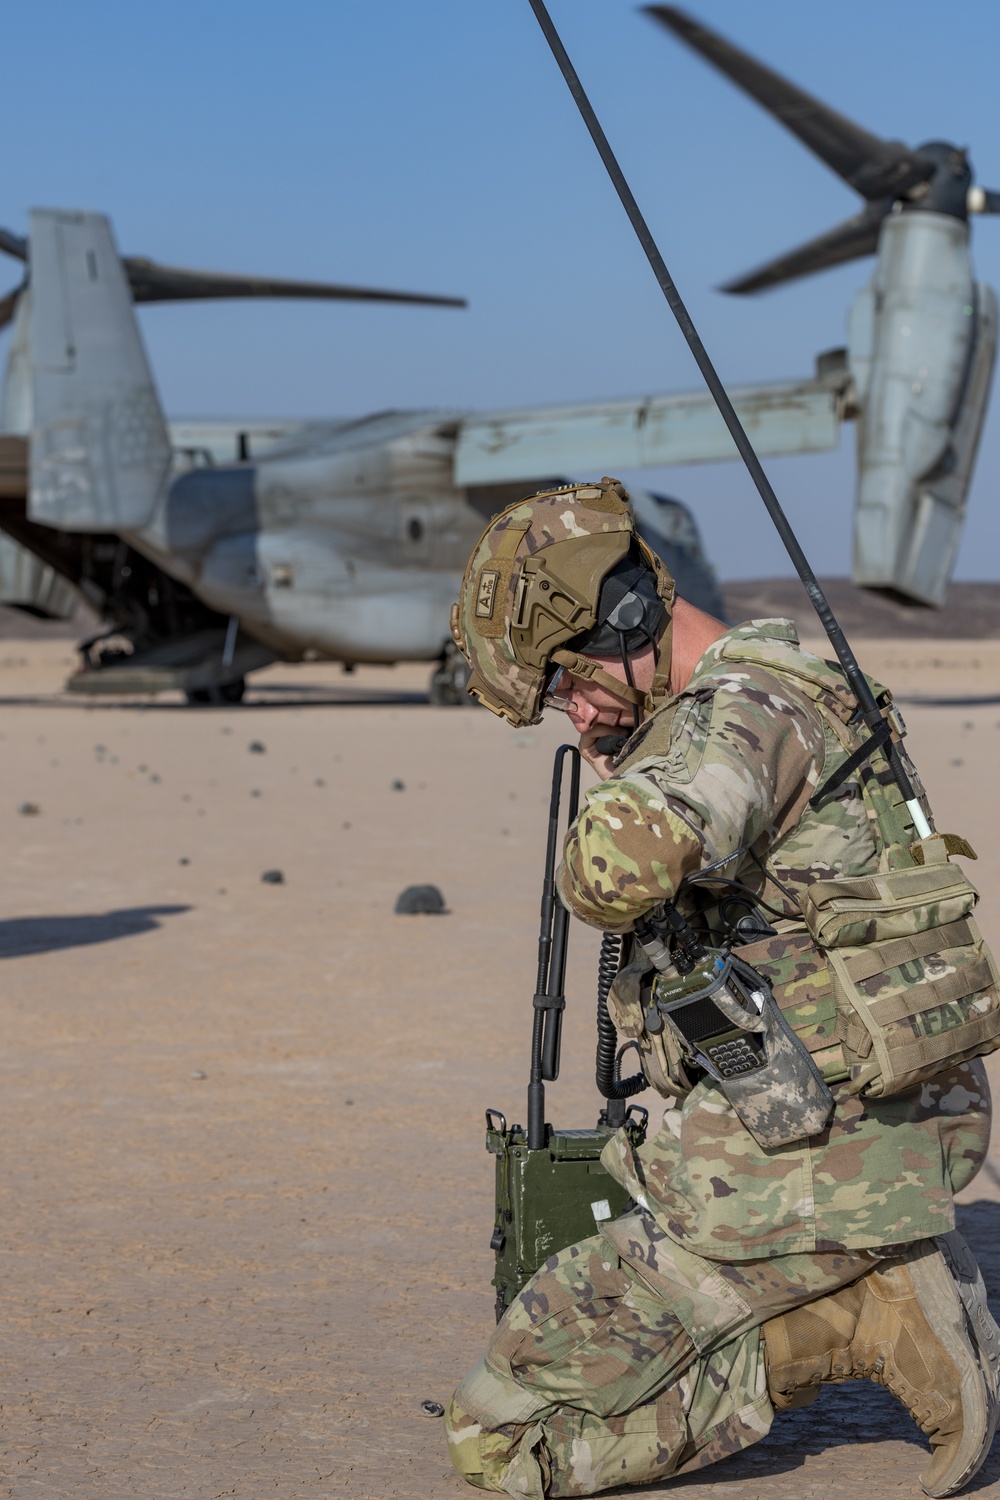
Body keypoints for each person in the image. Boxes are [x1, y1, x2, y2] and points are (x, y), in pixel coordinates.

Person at [443, 477, 1000, 1499]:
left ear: (622, 616)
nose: (574, 710)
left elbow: (612, 870)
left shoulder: (737, 717)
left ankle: (864, 1313)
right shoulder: (782, 684)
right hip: (840, 1140)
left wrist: (614, 777)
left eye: (567, 679)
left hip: (807, 1177)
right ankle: (870, 1281)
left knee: (505, 1438)